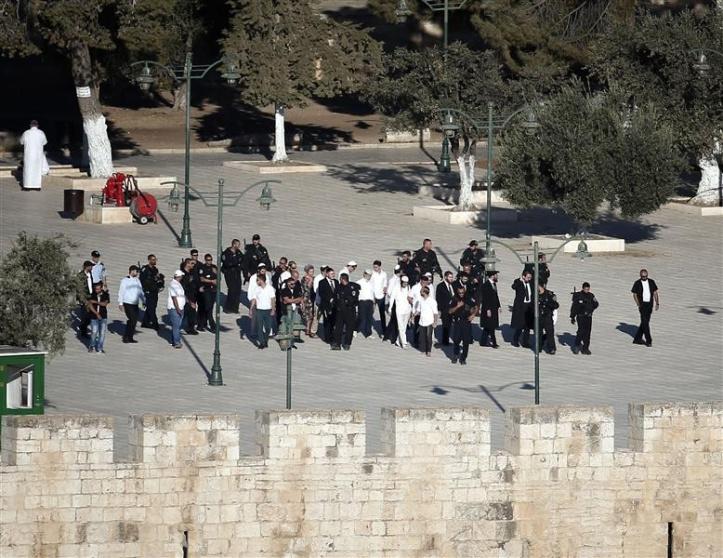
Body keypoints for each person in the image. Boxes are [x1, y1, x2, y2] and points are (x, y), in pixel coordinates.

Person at [449, 284, 479, 365]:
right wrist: (457, 306)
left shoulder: (468, 298)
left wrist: (473, 315)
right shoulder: (454, 299)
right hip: (457, 322)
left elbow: (476, 307)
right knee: (456, 340)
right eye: (459, 293)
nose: (461, 294)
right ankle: (455, 354)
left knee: (466, 341)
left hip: (466, 322)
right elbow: (450, 311)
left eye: (462, 292)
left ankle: (463, 358)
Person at [332, 272, 360, 350]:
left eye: (340, 279)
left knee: (349, 328)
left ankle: (347, 343)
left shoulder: (352, 287)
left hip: (349, 311)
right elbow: (335, 297)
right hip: (340, 311)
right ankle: (337, 343)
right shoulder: (338, 287)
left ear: (343, 279)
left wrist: (346, 300)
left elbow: (354, 299)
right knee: (338, 328)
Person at [631, 269, 659, 347]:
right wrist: (638, 304)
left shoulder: (651, 282)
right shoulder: (637, 283)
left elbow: (655, 293)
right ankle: (649, 340)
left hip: (649, 305)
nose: (645, 277)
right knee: (645, 323)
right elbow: (634, 294)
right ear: (640, 276)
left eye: (646, 276)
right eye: (643, 276)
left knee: (644, 323)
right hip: (642, 305)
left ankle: (637, 339)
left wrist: (657, 303)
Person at [117, 265, 145, 344]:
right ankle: (126, 337)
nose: (137, 273)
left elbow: (140, 291)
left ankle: (130, 337)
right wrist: (120, 303)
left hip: (135, 303)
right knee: (132, 319)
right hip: (128, 303)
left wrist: (143, 301)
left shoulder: (137, 280)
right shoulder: (125, 280)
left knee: (134, 320)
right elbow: (121, 292)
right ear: (132, 271)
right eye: (136, 271)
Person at [570, 282, 599, 355]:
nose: (587, 290)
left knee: (587, 333)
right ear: (583, 288)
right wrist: (572, 317)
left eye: (588, 289)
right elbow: (574, 307)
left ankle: (585, 348)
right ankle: (577, 345)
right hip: (581, 316)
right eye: (585, 289)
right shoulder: (579, 296)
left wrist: (591, 308)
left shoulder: (591, 296)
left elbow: (596, 304)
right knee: (581, 331)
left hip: (588, 317)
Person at [20, 120, 48, 190]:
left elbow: (21, 142)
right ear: (37, 125)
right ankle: (37, 187)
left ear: (30, 125)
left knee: (28, 170)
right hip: (37, 155)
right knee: (37, 170)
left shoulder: (26, 133)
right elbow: (44, 142)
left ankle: (27, 186)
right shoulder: (41, 133)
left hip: (28, 155)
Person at [249, 274, 276, 349]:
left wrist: (273, 309)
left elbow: (272, 299)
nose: (257, 282)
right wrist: (251, 308)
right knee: (259, 327)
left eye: (258, 280)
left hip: (268, 310)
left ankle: (265, 339)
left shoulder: (270, 288)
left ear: (262, 280)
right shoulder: (256, 289)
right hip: (259, 310)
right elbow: (254, 299)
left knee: (268, 327)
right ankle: (261, 342)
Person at [140, 254, 164, 330]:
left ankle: (145, 322)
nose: (154, 261)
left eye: (155, 259)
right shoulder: (145, 269)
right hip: (148, 291)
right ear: (149, 260)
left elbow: (157, 279)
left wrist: (160, 282)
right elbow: (142, 280)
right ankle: (155, 324)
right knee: (151, 308)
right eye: (153, 260)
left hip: (154, 291)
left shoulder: (155, 269)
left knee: (152, 307)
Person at [511, 271, 534, 348]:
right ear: (523, 276)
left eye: (530, 277)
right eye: (528, 277)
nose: (529, 279)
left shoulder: (531, 283)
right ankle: (515, 340)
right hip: (521, 306)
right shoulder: (518, 282)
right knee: (519, 325)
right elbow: (513, 287)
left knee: (527, 326)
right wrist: (520, 280)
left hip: (529, 306)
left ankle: (525, 342)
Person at [479, 270, 501, 348]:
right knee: (491, 326)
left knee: (488, 326)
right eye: (496, 275)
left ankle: (483, 342)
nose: (497, 276)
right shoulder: (485, 285)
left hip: (494, 308)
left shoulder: (494, 284)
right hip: (488, 309)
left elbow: (496, 296)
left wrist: (499, 306)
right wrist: (488, 309)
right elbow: (485, 299)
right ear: (492, 276)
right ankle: (494, 343)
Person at [221, 239, 243, 313]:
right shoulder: (226, 253)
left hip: (237, 272)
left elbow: (242, 259)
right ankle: (228, 308)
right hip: (229, 273)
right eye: (237, 244)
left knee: (238, 290)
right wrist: (236, 262)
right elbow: (227, 263)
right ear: (233, 244)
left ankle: (235, 308)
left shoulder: (238, 252)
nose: (239, 246)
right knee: (232, 290)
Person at [317, 267, 339, 343]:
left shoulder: (336, 282)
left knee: (333, 321)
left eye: (334, 273)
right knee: (327, 322)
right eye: (331, 273)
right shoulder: (322, 282)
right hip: (326, 305)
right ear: (327, 274)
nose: (333, 275)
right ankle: (327, 338)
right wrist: (329, 299)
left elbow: (338, 292)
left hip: (335, 305)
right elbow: (321, 293)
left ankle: (332, 336)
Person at [414, 286, 438, 356]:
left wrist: (435, 322)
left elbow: (435, 313)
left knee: (428, 337)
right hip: (422, 321)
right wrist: (413, 316)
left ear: (424, 292)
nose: (420, 292)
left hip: (429, 322)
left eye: (421, 291)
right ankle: (423, 350)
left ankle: (429, 351)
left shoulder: (432, 301)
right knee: (422, 337)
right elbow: (418, 310)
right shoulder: (421, 300)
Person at [197, 254, 218, 332]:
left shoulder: (214, 267)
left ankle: (202, 324)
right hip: (206, 289)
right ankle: (212, 325)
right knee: (208, 307)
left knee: (210, 307)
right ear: (205, 260)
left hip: (213, 290)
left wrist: (216, 273)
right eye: (208, 260)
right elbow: (202, 279)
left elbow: (218, 278)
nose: (209, 261)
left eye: (210, 260)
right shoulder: (202, 268)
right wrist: (211, 281)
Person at [87, 282, 109, 353]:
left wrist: (96, 302)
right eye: (96, 289)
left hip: (103, 316)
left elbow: (104, 304)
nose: (97, 290)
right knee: (94, 332)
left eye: (98, 289)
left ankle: (100, 347)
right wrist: (96, 314)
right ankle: (92, 345)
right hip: (94, 316)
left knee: (102, 333)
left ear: (101, 288)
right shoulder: (92, 295)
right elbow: (90, 305)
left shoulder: (106, 294)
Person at [392, 275, 413, 349]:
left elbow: (411, 298)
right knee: (401, 327)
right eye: (404, 282)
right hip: (399, 310)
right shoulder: (396, 287)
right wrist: (390, 308)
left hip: (407, 310)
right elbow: (392, 298)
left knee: (403, 327)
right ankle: (404, 343)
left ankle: (398, 341)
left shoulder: (409, 287)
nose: (405, 284)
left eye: (406, 282)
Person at [538, 282, 559, 354]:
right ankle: (539, 347)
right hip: (538, 317)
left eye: (539, 286)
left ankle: (551, 348)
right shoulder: (535, 295)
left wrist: (547, 303)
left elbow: (556, 305)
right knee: (538, 333)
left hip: (547, 316)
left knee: (550, 333)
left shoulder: (549, 294)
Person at [383, 265, 403, 344]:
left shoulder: (399, 279)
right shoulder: (393, 280)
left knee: (394, 321)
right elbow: (389, 292)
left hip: (399, 303)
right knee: (394, 320)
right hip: (394, 302)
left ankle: (388, 336)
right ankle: (391, 337)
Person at [435, 271, 455, 347]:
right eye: (450, 277)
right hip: (444, 309)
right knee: (446, 325)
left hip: (452, 309)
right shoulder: (440, 286)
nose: (451, 278)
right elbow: (438, 298)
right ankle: (445, 341)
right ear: (445, 277)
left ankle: (446, 340)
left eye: (452, 277)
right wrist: (439, 309)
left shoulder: (452, 285)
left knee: (449, 325)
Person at [180, 258, 199, 335]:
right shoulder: (182, 274)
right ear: (187, 264)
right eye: (191, 263)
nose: (193, 265)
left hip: (192, 295)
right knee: (184, 312)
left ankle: (191, 328)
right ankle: (179, 327)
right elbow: (183, 287)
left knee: (192, 312)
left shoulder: (191, 273)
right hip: (185, 296)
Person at [167, 270, 186, 349]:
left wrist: (189, 302)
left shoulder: (178, 284)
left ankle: (173, 341)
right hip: (174, 308)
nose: (182, 277)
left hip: (181, 307)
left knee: (177, 326)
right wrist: (177, 308)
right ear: (178, 276)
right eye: (181, 276)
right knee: (176, 326)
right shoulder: (173, 284)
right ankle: (177, 342)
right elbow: (174, 298)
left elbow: (182, 295)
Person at [76, 260, 94, 338]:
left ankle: (83, 327)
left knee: (90, 315)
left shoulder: (90, 274)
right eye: (90, 266)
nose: (92, 267)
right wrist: (83, 300)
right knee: (85, 315)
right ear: (86, 267)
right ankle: (83, 332)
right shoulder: (80, 276)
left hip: (90, 297)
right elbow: (79, 289)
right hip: (84, 298)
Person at [370, 260, 388, 338]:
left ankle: (384, 330)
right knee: (371, 312)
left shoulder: (384, 274)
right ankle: (368, 329)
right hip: (373, 296)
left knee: (382, 313)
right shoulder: (372, 274)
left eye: (376, 267)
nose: (375, 268)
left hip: (381, 296)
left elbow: (385, 283)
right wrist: (372, 296)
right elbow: (371, 285)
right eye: (374, 267)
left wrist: (385, 288)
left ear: (380, 267)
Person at [356, 269, 375, 338]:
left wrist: (373, 303)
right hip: (362, 301)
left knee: (369, 318)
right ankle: (355, 329)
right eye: (367, 274)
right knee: (361, 317)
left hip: (370, 302)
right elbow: (356, 294)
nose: (369, 276)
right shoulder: (359, 282)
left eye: (370, 275)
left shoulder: (371, 283)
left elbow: (372, 294)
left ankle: (368, 333)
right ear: (364, 274)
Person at [301, 265, 317, 338]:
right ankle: (308, 329)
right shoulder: (304, 279)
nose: (312, 273)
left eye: (313, 271)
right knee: (309, 315)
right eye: (311, 271)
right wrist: (310, 281)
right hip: (307, 298)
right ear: (307, 272)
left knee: (312, 314)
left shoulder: (314, 278)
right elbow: (307, 288)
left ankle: (309, 328)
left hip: (313, 298)